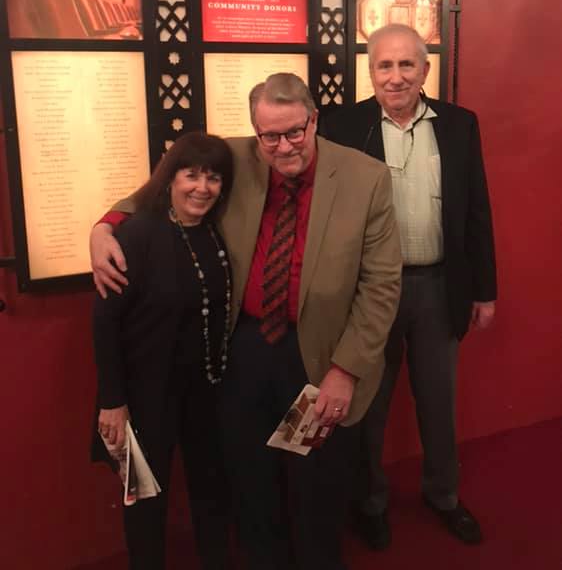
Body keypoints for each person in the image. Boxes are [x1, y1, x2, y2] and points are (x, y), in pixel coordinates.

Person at [90, 72, 402, 570]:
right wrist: (105, 226)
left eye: (295, 132)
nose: (283, 147)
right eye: (270, 135)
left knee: (315, 482)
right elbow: (157, 189)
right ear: (256, 131)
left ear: (314, 120)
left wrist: (347, 369)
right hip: (244, 350)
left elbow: (381, 285)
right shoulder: (234, 158)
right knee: (249, 477)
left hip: (320, 352)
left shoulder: (366, 178)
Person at [321, 23, 497, 549]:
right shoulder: (342, 125)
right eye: (383, 65)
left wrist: (484, 290)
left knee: (438, 403)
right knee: (367, 406)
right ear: (369, 70)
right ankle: (369, 502)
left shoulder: (460, 125)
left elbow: (476, 211)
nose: (395, 77)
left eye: (406, 65)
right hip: (369, 295)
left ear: (425, 70)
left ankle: (443, 495)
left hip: (437, 287)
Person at [91, 131, 234, 570]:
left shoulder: (216, 231)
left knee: (213, 493)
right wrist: (113, 402)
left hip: (207, 393)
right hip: (144, 399)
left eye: (212, 178)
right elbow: (104, 322)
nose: (201, 187)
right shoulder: (135, 236)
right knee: (144, 500)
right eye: (190, 175)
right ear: (169, 178)